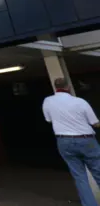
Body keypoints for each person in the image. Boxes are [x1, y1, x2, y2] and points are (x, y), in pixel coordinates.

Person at [43, 77, 100, 206]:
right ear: (68, 87)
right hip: (86, 140)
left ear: (55, 87)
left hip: (64, 141)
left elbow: (49, 119)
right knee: (98, 171)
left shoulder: (48, 101)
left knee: (80, 177)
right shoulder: (80, 102)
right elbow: (95, 123)